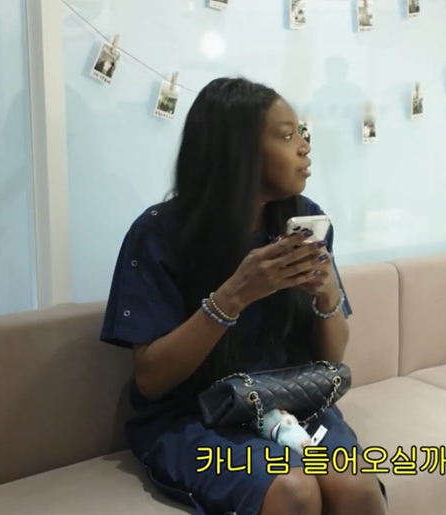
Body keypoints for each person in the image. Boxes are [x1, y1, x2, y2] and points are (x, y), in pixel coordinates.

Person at [99, 77, 388, 515]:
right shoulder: (158, 234)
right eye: (287, 136)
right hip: (194, 417)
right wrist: (233, 296)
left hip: (293, 402)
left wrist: (327, 295)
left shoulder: (305, 219)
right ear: (238, 152)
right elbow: (152, 379)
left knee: (356, 487)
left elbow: (331, 359)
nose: (305, 146)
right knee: (293, 490)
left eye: (302, 132)